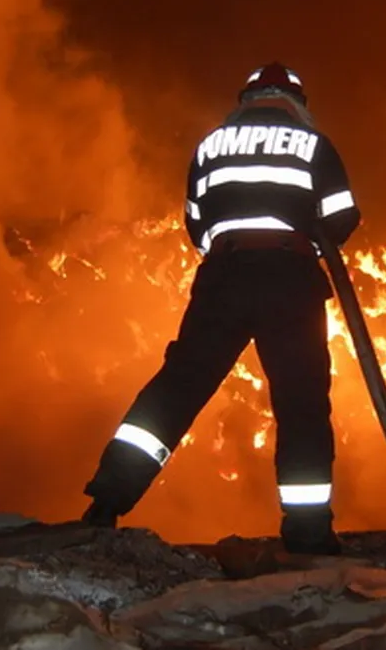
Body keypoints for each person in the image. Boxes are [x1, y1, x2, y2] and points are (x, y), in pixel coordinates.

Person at [81, 62, 361, 555]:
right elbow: (343, 217)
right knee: (300, 402)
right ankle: (308, 533)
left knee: (178, 387)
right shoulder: (314, 144)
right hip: (289, 278)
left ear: (246, 101)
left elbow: (196, 225)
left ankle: (107, 500)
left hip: (224, 276)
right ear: (296, 103)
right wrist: (304, 240)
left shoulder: (210, 146)